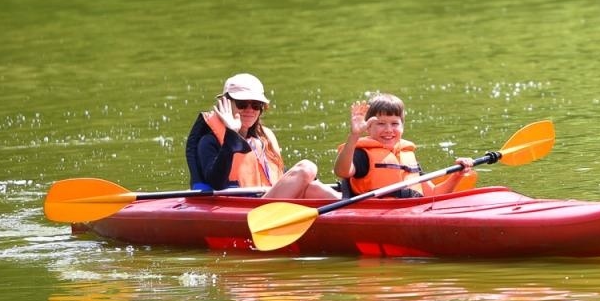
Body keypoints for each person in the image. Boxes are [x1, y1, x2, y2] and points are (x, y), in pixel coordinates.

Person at [185, 73, 338, 199]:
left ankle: (350, 207)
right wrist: (231, 134)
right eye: (242, 104)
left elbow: (280, 177)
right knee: (306, 168)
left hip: (267, 202)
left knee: (312, 188)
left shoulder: (263, 139)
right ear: (226, 103)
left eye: (256, 105)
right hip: (243, 208)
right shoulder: (208, 141)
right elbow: (216, 183)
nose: (249, 110)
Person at [331, 92, 475, 199]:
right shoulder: (362, 155)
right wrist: (354, 136)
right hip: (374, 212)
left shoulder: (407, 155)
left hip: (411, 211)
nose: (388, 130)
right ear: (368, 128)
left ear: (402, 126)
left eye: (394, 124)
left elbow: (433, 194)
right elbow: (342, 172)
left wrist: (457, 174)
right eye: (381, 124)